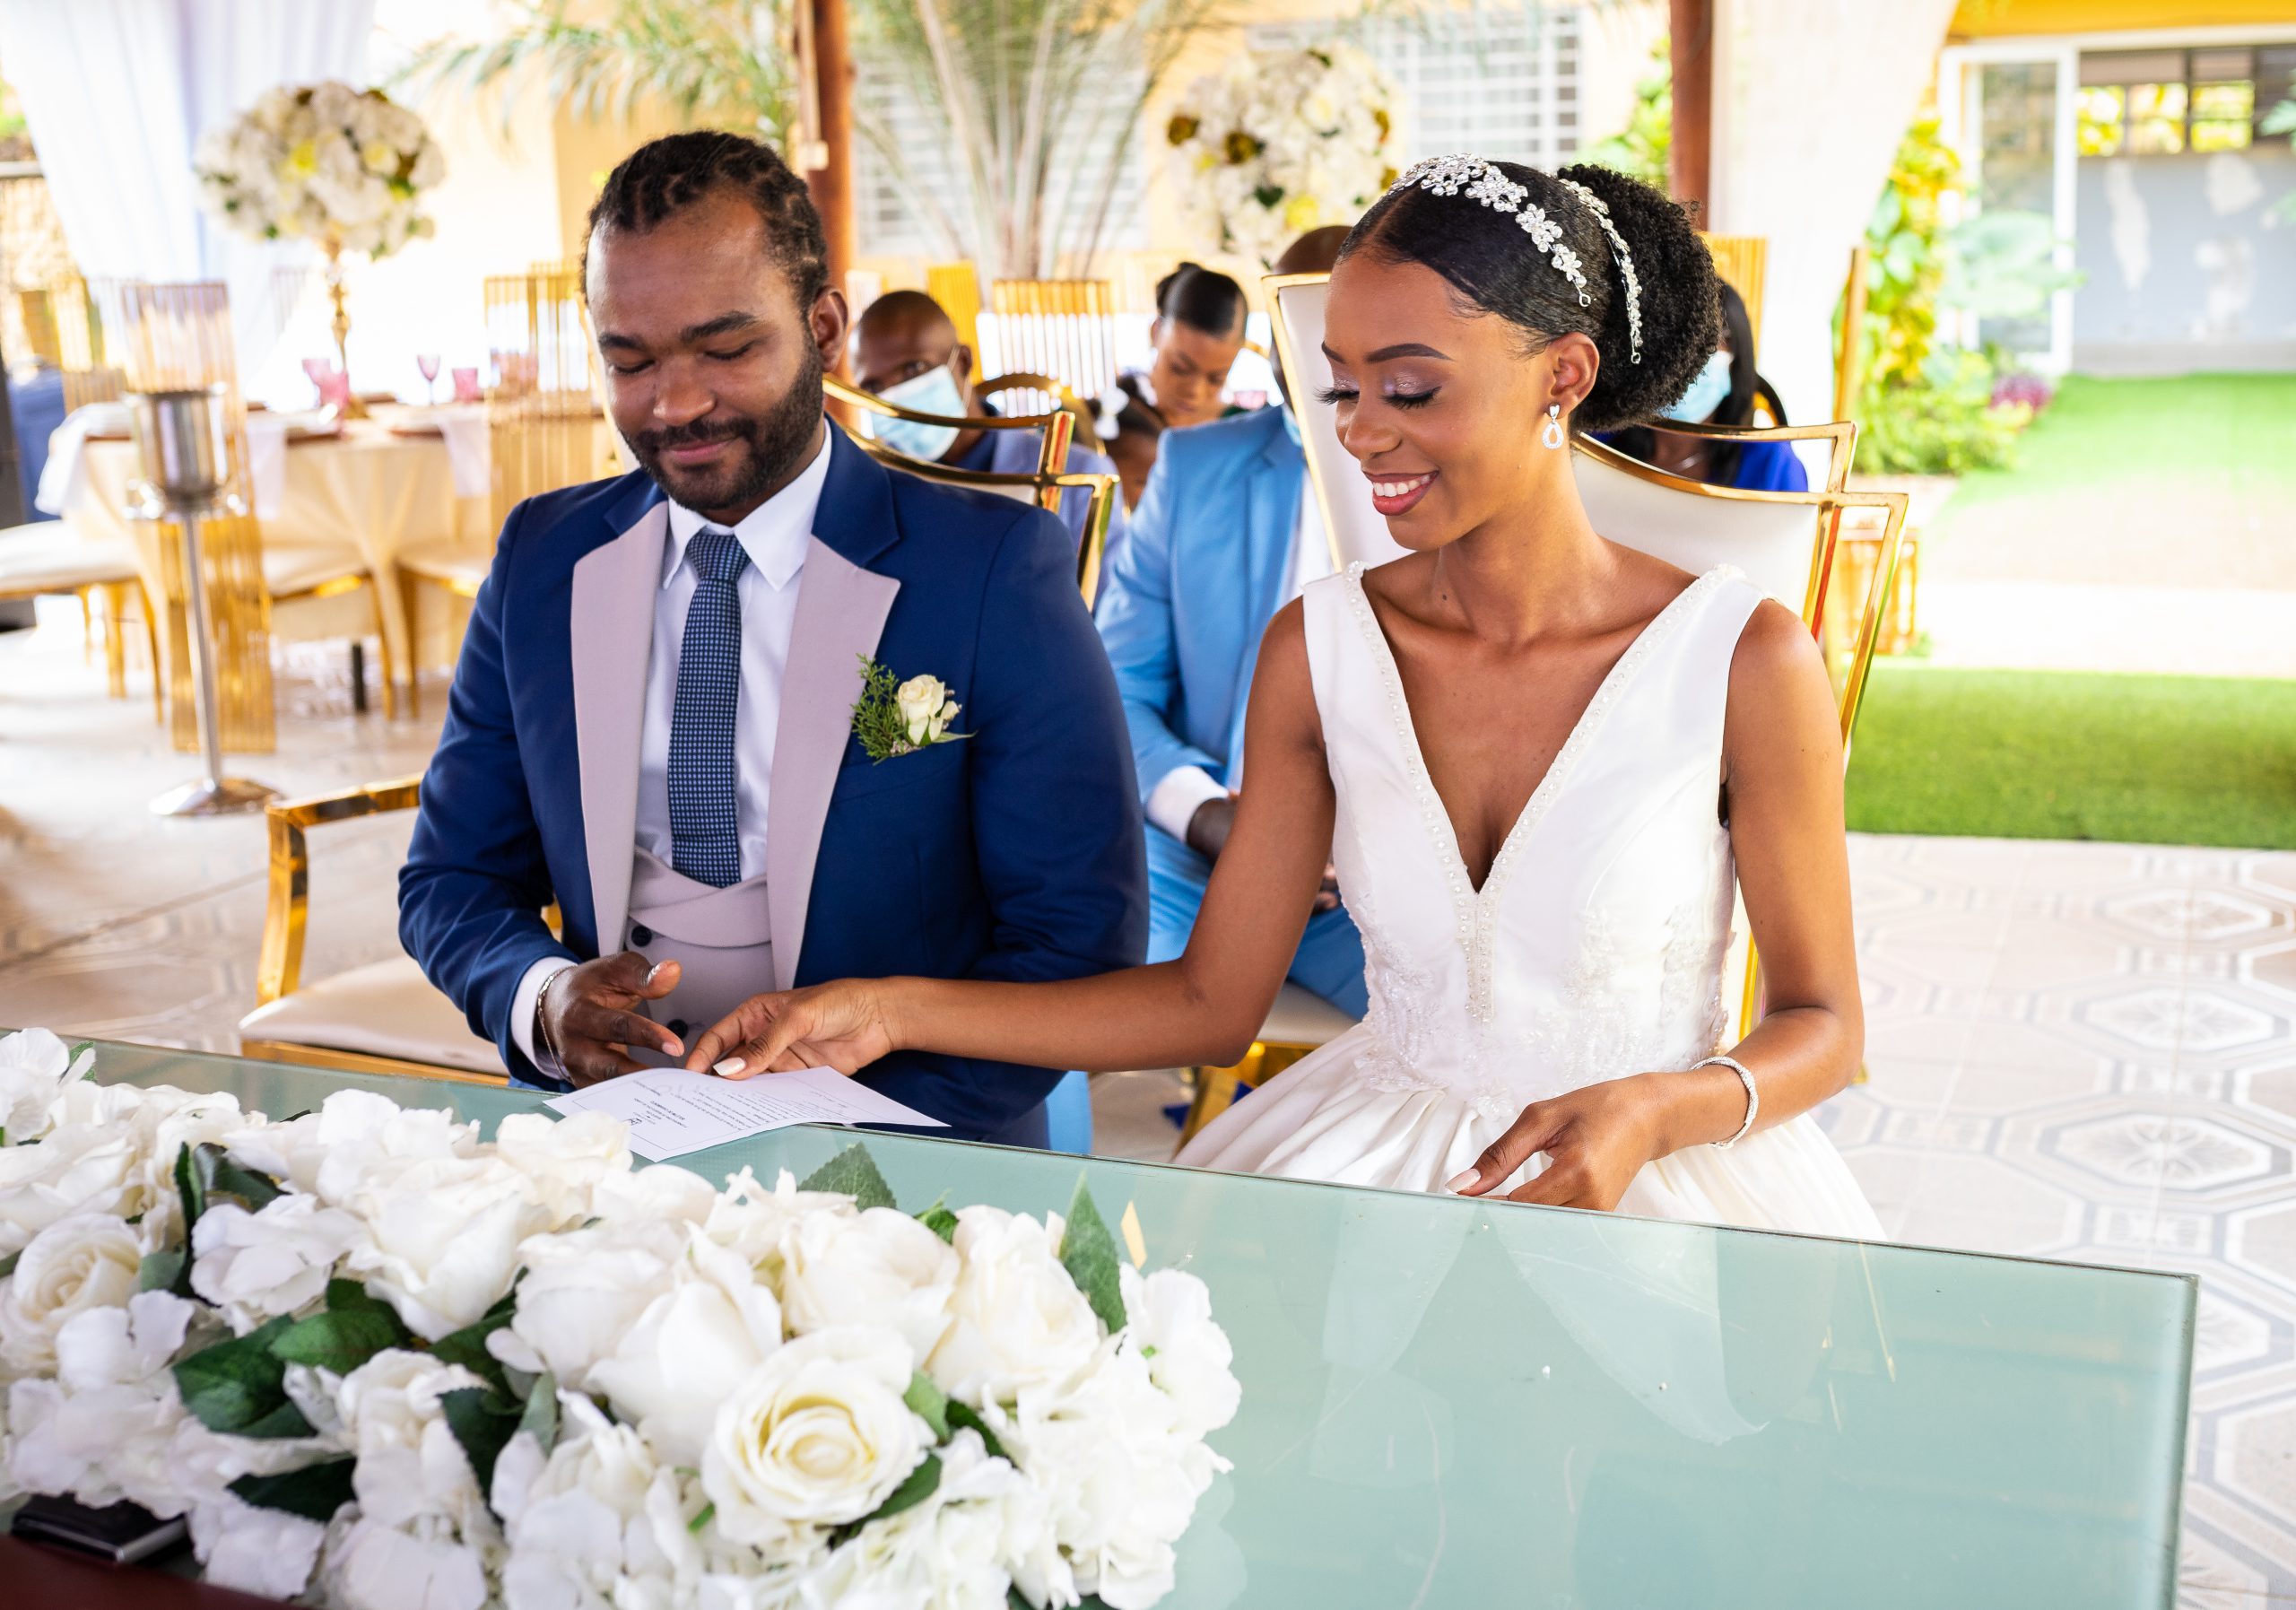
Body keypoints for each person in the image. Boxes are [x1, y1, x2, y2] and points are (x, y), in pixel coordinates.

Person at [681, 155, 1880, 1240]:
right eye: (1341, 389)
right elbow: (1211, 1000)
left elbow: (1825, 1025)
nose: (1360, 435)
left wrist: (1659, 1109)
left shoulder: (1747, 658)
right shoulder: (1323, 647)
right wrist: (887, 1010)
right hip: (1378, 1179)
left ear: (1562, 374)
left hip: (1660, 1191)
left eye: (1409, 389)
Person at [398, 130, 1146, 1146]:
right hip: (612, 1136)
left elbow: (1078, 942)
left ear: (823, 327)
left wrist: (848, 1123)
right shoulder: (545, 558)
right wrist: (542, 996)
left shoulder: (990, 570)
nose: (676, 403)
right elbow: (452, 877)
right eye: (630, 360)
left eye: (726, 349)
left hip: (908, 1138)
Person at [1091, 223, 1366, 1023]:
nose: (1315, 347)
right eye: (1291, 321)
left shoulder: (1460, 481)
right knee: (1056, 997)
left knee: (1489, 1042)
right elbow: (1114, 688)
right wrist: (1205, 811)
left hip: (1380, 889)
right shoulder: (1192, 467)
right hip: (1191, 857)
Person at [848, 289, 1126, 557]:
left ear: (963, 362)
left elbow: (1106, 587)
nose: (894, 396)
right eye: (873, 387)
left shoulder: (1077, 474)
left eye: (914, 369)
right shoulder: (876, 488)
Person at [1601, 281, 1808, 492]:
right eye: (1672, 334)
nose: (1687, 356)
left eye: (1710, 341)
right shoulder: (1596, 444)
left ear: (1735, 361)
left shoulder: (1774, 467)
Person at [1096, 263, 1250, 451]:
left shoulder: (1246, 433)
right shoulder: (1112, 419)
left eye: (1216, 379)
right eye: (1180, 369)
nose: (1195, 391)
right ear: (1155, 332)